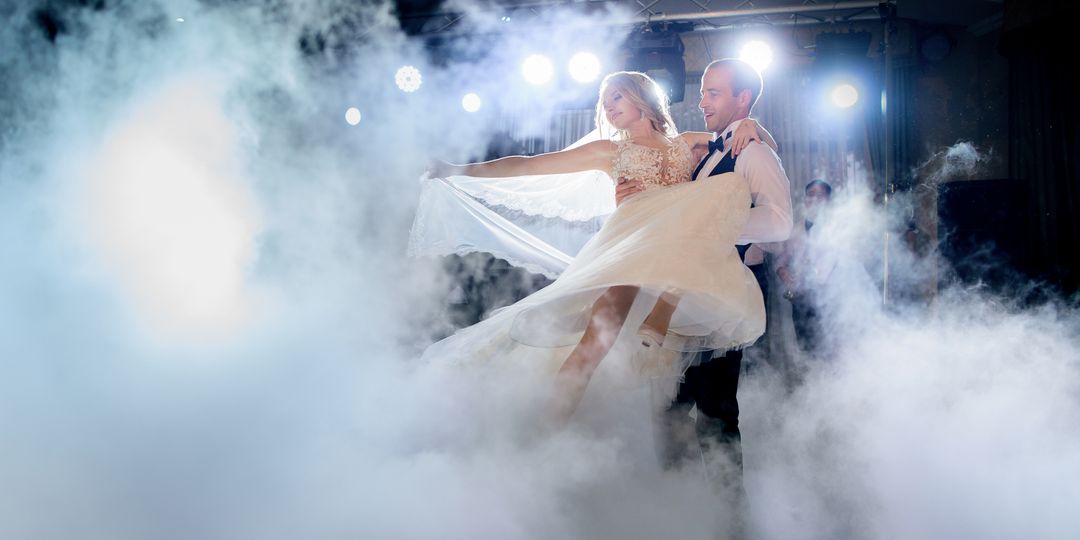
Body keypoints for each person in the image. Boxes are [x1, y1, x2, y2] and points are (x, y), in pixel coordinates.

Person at [421, 71, 775, 426]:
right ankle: (544, 434)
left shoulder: (690, 143)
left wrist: (753, 125)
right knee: (594, 344)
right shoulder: (610, 151)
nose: (608, 107)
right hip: (633, 249)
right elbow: (531, 165)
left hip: (677, 260)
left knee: (724, 190)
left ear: (642, 98)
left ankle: (662, 335)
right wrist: (458, 169)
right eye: (604, 102)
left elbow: (759, 150)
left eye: (616, 97)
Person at [616, 59, 793, 521]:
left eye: (714, 93)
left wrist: (718, 226)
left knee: (715, 415)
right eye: (702, 92)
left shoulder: (754, 152)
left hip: (725, 295)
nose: (702, 101)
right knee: (670, 410)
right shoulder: (709, 150)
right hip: (687, 296)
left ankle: (734, 523)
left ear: (742, 100)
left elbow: (780, 221)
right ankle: (684, 511)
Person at [776, 179, 833, 357]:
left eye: (820, 195)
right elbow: (781, 260)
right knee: (805, 346)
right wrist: (782, 271)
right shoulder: (794, 229)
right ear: (805, 199)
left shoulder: (838, 229)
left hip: (831, 298)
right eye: (811, 195)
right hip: (801, 298)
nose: (814, 199)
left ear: (829, 201)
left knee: (830, 347)